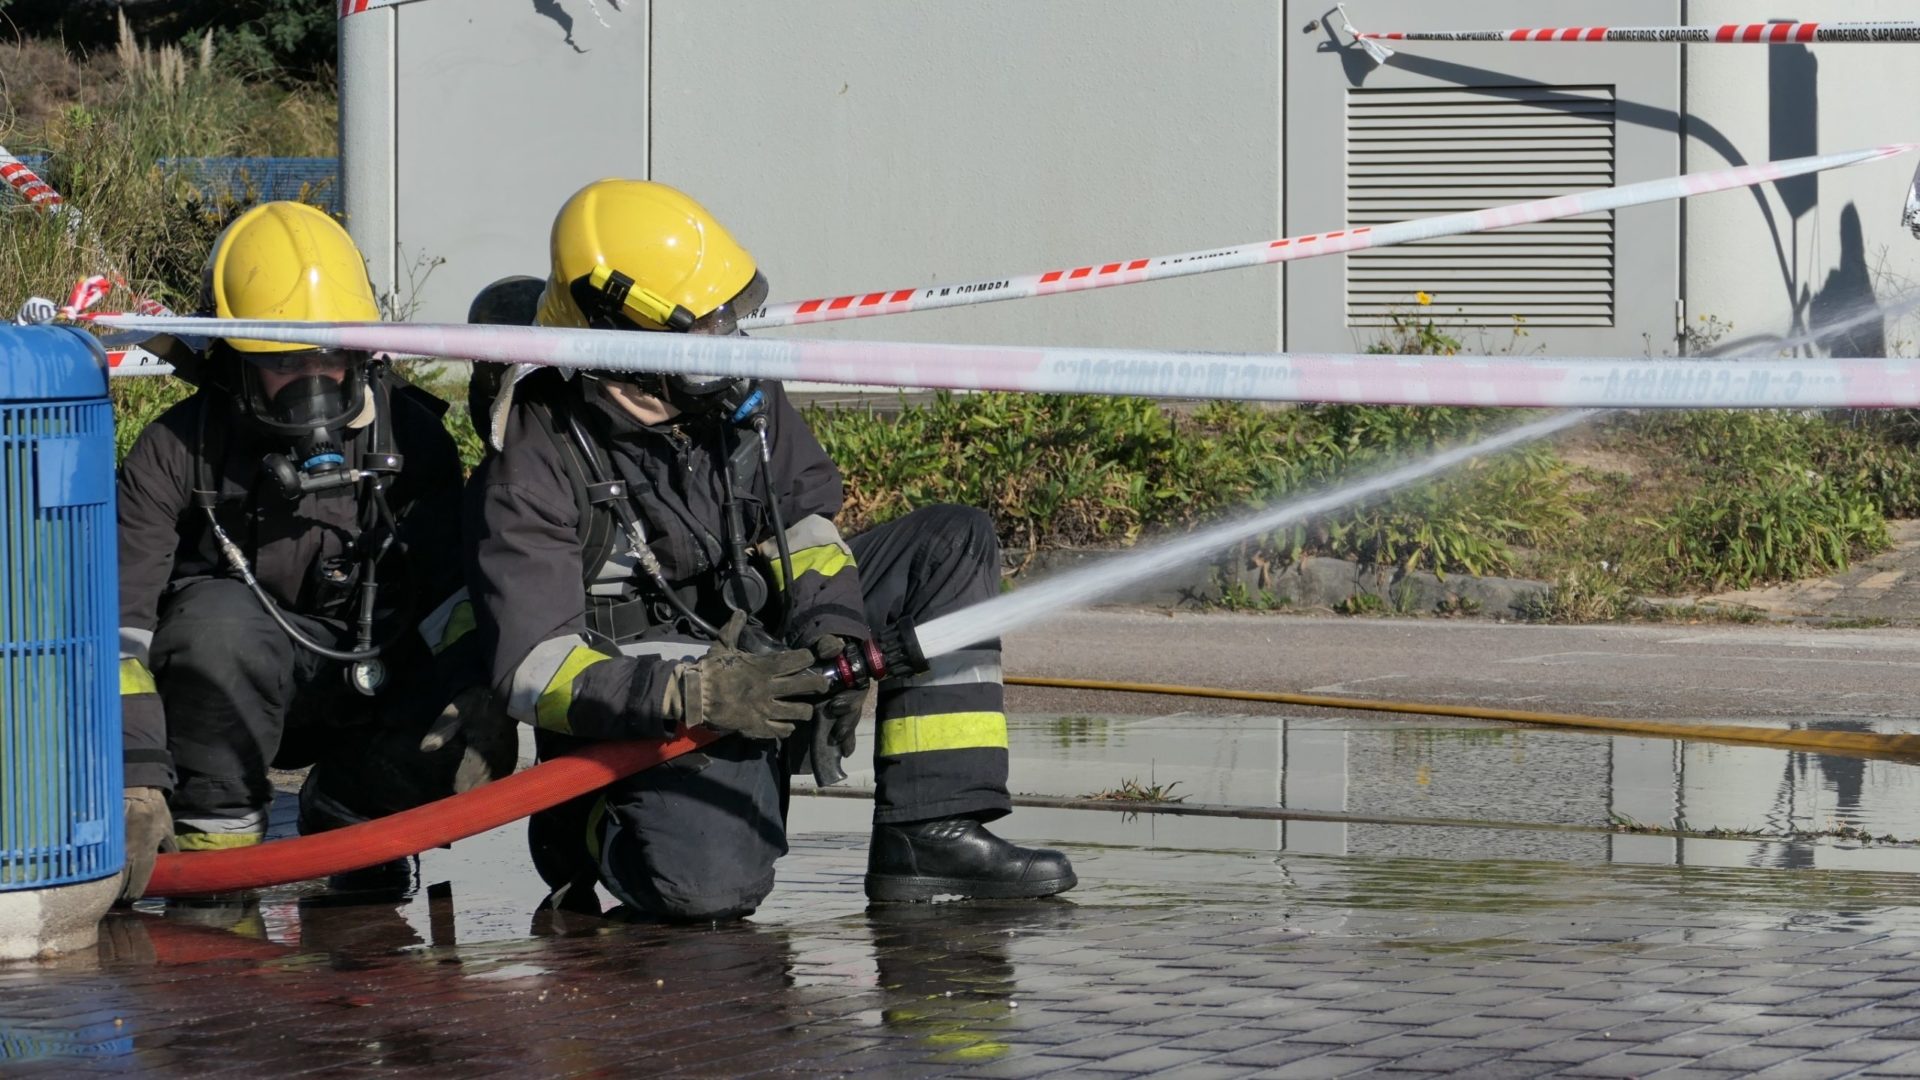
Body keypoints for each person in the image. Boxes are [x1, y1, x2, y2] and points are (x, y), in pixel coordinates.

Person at [465, 179, 1075, 921]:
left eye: (731, 320)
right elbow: (533, 666)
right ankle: (584, 825)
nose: (728, 343)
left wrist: (835, 631)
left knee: (946, 543)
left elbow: (805, 529)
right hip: (644, 688)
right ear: (624, 340)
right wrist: (695, 694)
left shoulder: (726, 393)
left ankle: (933, 832)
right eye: (708, 329)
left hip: (746, 631)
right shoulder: (534, 453)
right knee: (710, 891)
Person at [114, 201, 513, 900]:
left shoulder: (412, 443)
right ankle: (218, 865)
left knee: (456, 715)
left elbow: (457, 600)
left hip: (369, 679)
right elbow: (120, 632)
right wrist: (134, 778)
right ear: (233, 358)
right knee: (215, 628)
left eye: (331, 353)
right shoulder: (175, 453)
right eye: (284, 362)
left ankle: (351, 809)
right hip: (223, 698)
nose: (315, 381)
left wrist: (476, 697)